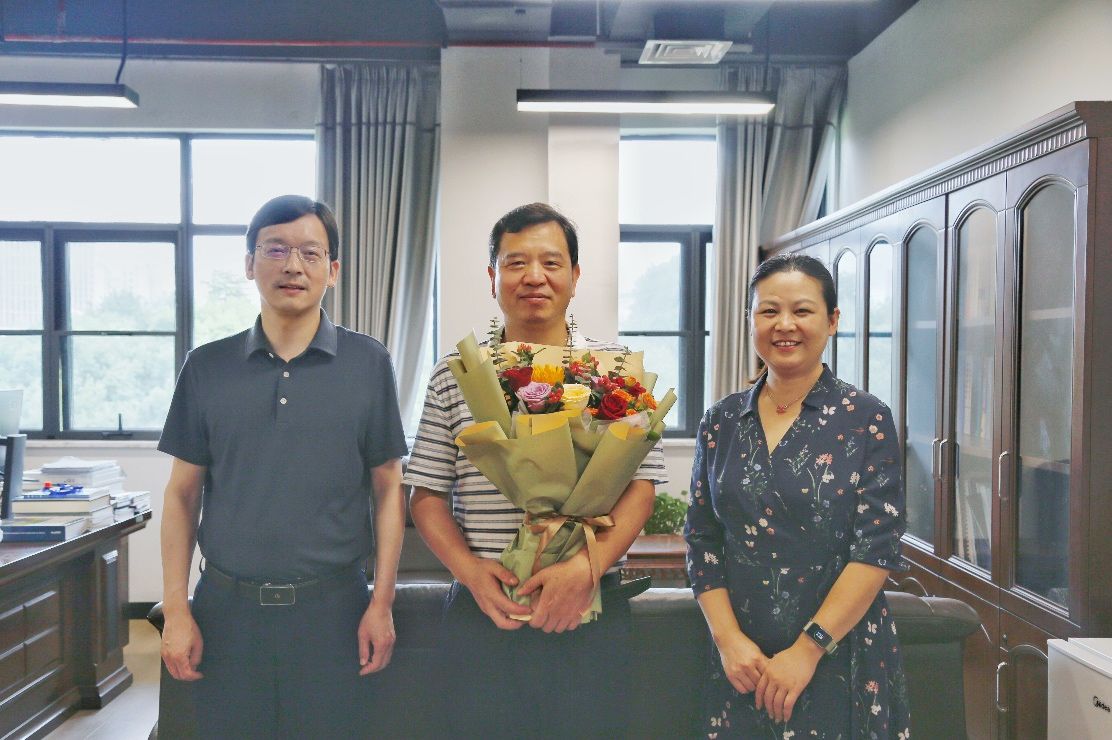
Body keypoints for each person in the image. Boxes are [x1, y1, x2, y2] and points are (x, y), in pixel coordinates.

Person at [405, 202, 667, 738]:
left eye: (551, 262)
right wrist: (469, 573)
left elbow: (641, 489)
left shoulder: (614, 371)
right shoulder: (455, 375)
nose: (534, 277)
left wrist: (585, 570)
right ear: (492, 277)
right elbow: (426, 494)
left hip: (590, 608)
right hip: (484, 610)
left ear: (575, 275)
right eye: (515, 263)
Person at [158, 195, 409, 738]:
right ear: (250, 263)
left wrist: (382, 602)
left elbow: (389, 488)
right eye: (275, 249)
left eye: (310, 253)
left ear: (332, 271)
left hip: (335, 611)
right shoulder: (207, 366)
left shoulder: (368, 363)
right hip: (227, 611)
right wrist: (176, 610)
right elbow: (181, 495)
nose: (293, 265)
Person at [685, 253, 911, 738]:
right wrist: (728, 641)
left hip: (838, 653)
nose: (784, 325)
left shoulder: (865, 417)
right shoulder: (721, 420)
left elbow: (877, 547)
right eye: (769, 311)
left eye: (802, 310)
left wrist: (808, 650)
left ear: (832, 321)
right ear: (750, 320)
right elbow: (702, 539)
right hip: (742, 663)